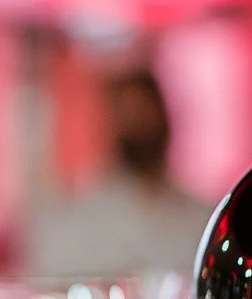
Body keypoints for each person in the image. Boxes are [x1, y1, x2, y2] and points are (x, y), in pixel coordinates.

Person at [26, 68, 211, 277]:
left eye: (145, 110)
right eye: (129, 113)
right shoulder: (83, 216)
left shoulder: (199, 216)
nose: (140, 123)